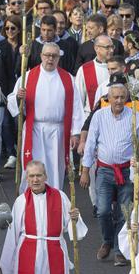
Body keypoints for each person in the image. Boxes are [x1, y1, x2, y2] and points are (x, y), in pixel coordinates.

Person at [0, 161, 86, 274]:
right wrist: (6, 270)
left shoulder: (60, 197)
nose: (35, 179)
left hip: (53, 257)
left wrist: (74, 219)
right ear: (26, 179)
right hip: (26, 258)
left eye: (39, 175)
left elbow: (73, 230)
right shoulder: (21, 201)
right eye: (31, 176)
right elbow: (12, 236)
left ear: (46, 177)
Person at [81, 83, 139, 265]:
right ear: (108, 98)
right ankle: (107, 240)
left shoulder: (136, 117)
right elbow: (90, 144)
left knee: (124, 212)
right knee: (102, 210)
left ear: (126, 98)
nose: (118, 100)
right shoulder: (99, 116)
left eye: (122, 97)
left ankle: (119, 249)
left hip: (127, 171)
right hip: (104, 170)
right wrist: (85, 170)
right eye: (115, 97)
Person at [7, 43, 83, 191]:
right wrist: (18, 97)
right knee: (32, 166)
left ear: (59, 58)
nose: (50, 59)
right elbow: (12, 101)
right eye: (47, 55)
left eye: (54, 56)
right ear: (41, 56)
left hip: (58, 131)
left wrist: (75, 133)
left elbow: (76, 106)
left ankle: (53, 198)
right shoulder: (28, 76)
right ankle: (30, 199)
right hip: (34, 129)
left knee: (55, 169)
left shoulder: (68, 79)